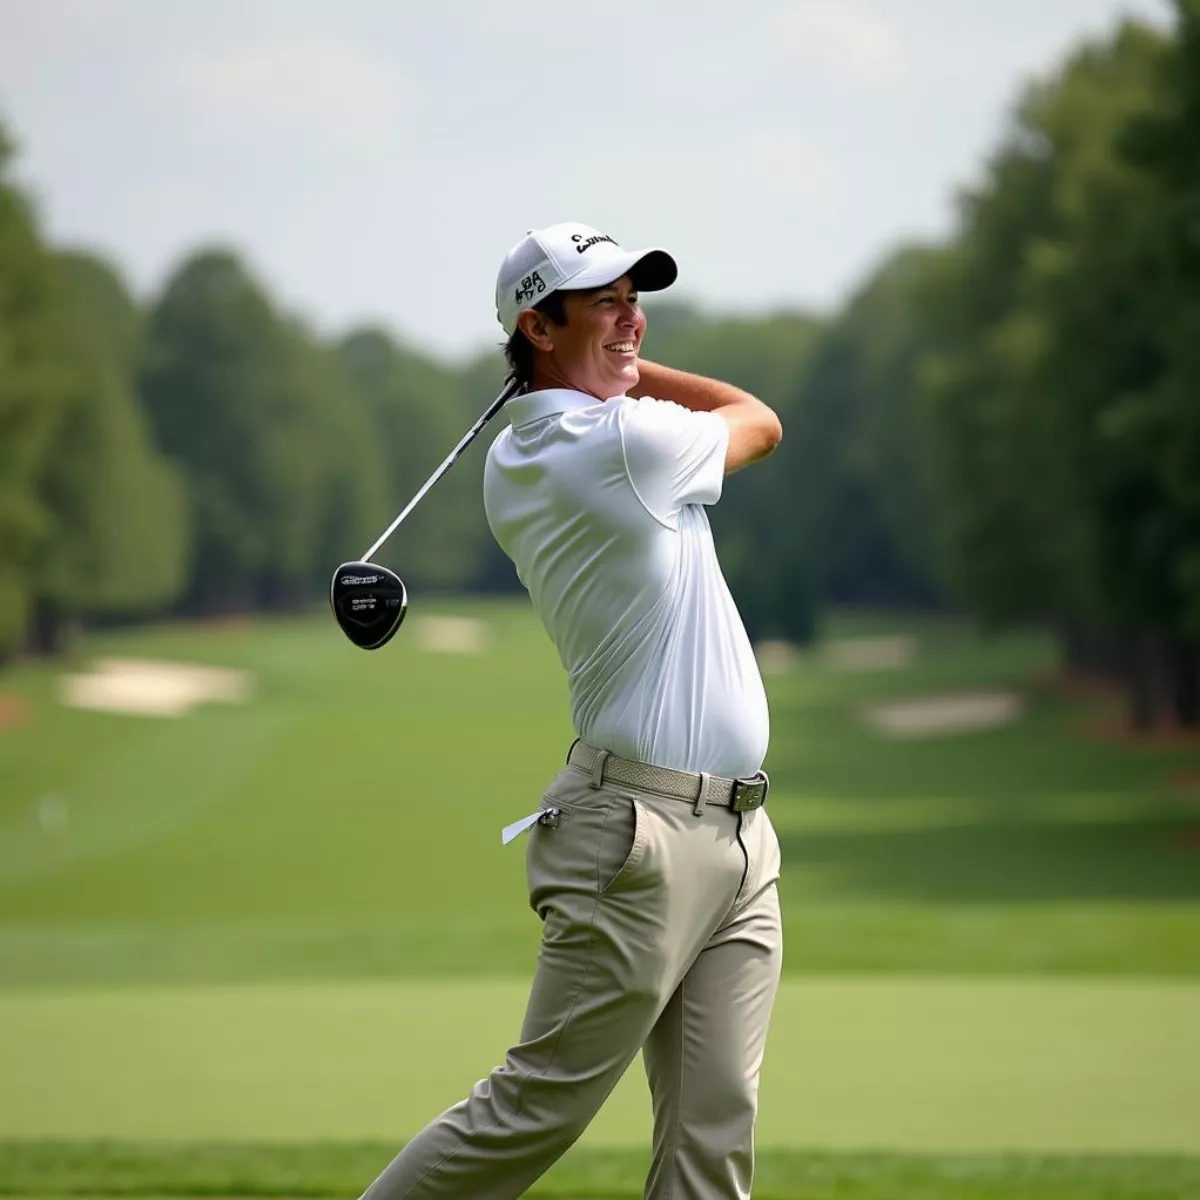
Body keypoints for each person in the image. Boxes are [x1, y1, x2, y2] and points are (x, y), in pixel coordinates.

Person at [359, 223, 784, 1200]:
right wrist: (635, 371)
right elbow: (758, 418)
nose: (632, 318)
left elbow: (659, 398)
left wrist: (612, 354)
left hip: (738, 836)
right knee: (535, 1109)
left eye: (638, 300)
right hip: (637, 839)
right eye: (605, 303)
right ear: (537, 325)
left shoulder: (538, 449)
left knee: (713, 1137)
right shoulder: (618, 445)